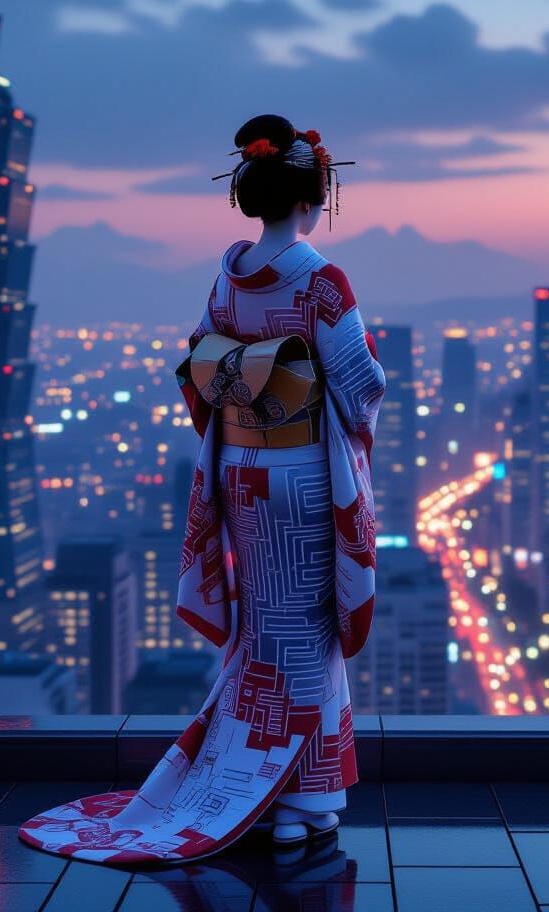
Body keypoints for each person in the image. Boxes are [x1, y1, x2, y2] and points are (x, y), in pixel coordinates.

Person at [19, 113, 385, 865]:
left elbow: (201, 364)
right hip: (304, 479)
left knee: (266, 628)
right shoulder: (322, 280)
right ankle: (300, 803)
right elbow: (360, 382)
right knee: (307, 634)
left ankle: (277, 795)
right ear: (314, 195)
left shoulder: (228, 277)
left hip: (241, 475)